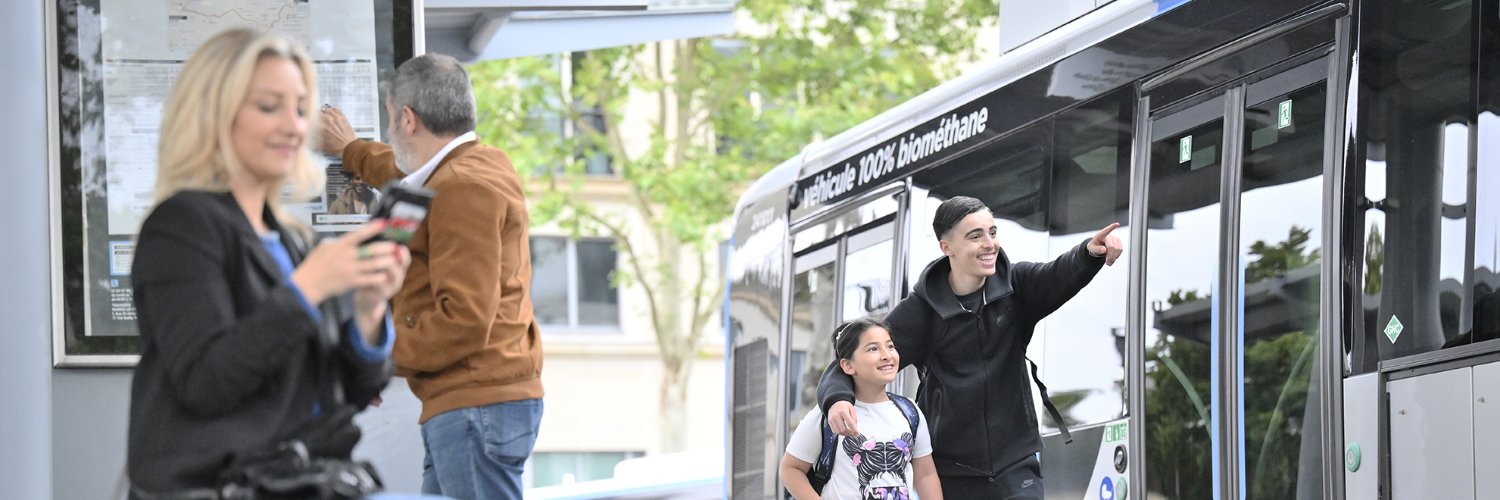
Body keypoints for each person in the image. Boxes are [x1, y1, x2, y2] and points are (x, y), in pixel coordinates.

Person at [126, 28, 408, 496]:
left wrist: (368, 308)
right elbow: (205, 381)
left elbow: (354, 392)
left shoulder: (293, 240)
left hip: (300, 480)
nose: (294, 126)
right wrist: (307, 291)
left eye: (301, 109)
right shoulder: (179, 226)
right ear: (214, 114)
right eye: (268, 106)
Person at [317, 53, 544, 499]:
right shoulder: (477, 165)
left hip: (475, 408)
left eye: (387, 118)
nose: (388, 129)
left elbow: (463, 318)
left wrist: (376, 360)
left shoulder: (463, 188)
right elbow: (406, 173)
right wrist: (350, 150)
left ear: (407, 119)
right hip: (472, 406)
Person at [816, 196, 1124, 499]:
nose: (989, 244)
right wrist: (838, 400)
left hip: (1016, 466)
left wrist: (1088, 253)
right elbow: (855, 360)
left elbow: (1058, 274)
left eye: (992, 232)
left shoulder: (1016, 285)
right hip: (952, 473)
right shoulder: (922, 310)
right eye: (975, 236)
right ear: (946, 247)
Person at [783, 318, 943, 500]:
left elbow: (925, 474)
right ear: (848, 365)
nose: (886, 355)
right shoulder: (829, 414)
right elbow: (790, 469)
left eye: (890, 346)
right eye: (873, 349)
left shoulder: (909, 411)